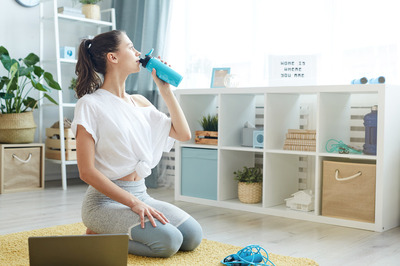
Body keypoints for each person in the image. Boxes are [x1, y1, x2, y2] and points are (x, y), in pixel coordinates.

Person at [71, 30, 203, 258]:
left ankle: (113, 231)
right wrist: (133, 204)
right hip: (104, 202)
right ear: (113, 57)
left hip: (141, 193)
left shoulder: (139, 102)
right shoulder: (90, 105)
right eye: (131, 47)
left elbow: (183, 134)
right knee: (169, 242)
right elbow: (86, 172)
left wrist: (165, 90)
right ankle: (97, 234)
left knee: (192, 236)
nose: (138, 53)